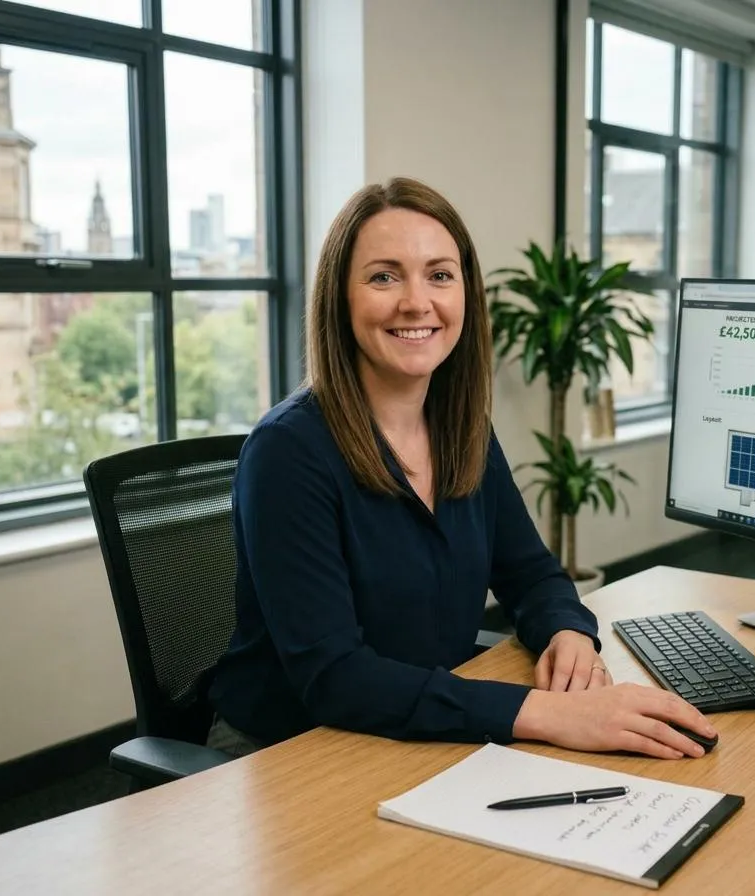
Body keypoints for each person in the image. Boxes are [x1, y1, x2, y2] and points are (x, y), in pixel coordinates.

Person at [206, 176, 717, 760]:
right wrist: (552, 714)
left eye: (440, 275)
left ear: (465, 295)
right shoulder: (287, 452)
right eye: (383, 276)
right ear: (339, 298)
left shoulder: (459, 428)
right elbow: (334, 677)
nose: (416, 302)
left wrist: (567, 631)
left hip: (416, 730)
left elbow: (531, 573)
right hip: (288, 751)